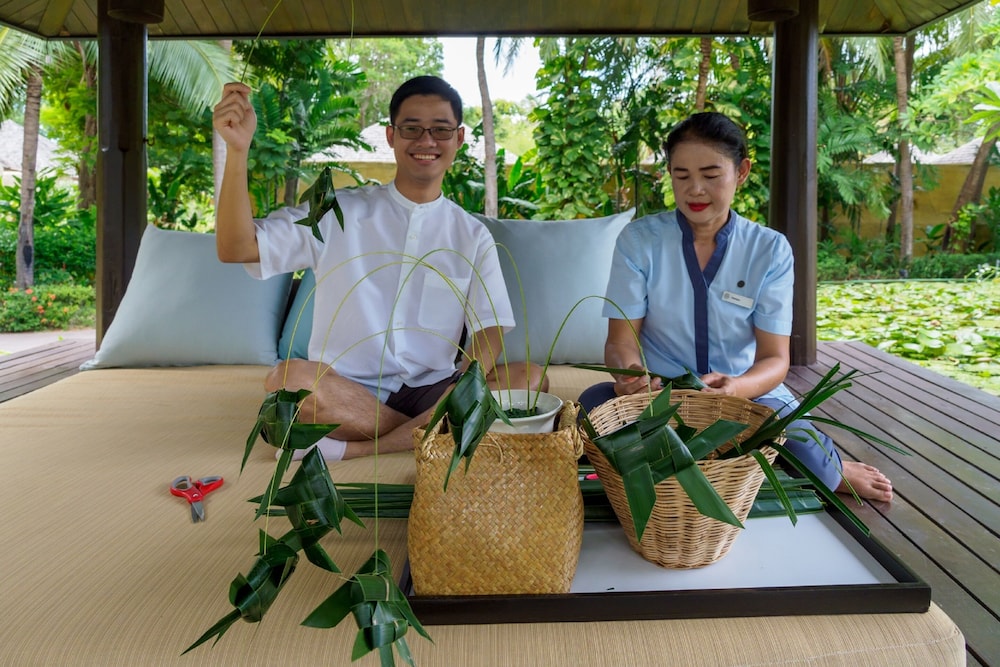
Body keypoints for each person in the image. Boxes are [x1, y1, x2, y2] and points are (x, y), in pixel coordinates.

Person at [212, 75, 544, 461]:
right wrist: (238, 150)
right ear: (391, 136)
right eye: (411, 128)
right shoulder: (336, 210)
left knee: (530, 380)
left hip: (432, 389)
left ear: (458, 138)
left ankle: (353, 449)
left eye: (440, 129)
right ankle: (431, 434)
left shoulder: (472, 235)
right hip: (343, 386)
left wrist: (463, 388)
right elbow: (237, 248)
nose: (426, 141)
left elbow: (491, 329)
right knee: (289, 383)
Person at [578, 112, 893, 503]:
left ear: (741, 172)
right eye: (681, 175)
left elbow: (775, 359)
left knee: (815, 462)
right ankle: (715, 460)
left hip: (746, 397)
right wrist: (629, 374)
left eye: (711, 175)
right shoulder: (639, 240)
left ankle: (828, 466)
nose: (695, 190)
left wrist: (736, 388)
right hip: (659, 397)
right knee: (591, 406)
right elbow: (620, 341)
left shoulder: (769, 249)